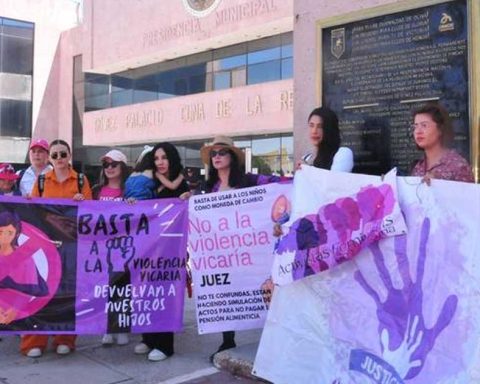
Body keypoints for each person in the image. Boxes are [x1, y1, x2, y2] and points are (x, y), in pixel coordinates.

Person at [199, 135, 283, 362]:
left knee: (262, 289)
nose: (216, 157)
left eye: (221, 153)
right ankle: (228, 340)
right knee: (224, 293)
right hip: (220, 251)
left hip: (250, 249)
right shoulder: (209, 187)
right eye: (213, 154)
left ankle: (273, 335)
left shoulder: (250, 181)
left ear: (232, 157)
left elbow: (279, 184)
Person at [20, 139, 92, 358]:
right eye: (55, 155)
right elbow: (32, 211)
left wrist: (82, 201)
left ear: (69, 156)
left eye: (63, 154)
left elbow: (90, 214)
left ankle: (65, 338)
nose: (59, 159)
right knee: (39, 290)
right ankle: (34, 340)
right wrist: (27, 202)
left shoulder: (80, 180)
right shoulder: (42, 181)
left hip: (71, 246)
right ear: (50, 159)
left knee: (68, 292)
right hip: (44, 246)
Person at [133, 142, 190, 362]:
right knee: (146, 293)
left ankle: (165, 345)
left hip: (170, 251)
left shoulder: (182, 183)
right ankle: (148, 339)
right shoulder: (149, 182)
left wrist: (187, 199)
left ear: (172, 159)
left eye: (164, 157)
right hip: (147, 248)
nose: (160, 162)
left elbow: (188, 214)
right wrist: (132, 203)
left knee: (165, 296)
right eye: (156, 158)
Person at [92, 149, 131, 346]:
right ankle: (107, 328)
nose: (109, 168)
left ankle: (121, 327)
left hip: (124, 250)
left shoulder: (129, 190)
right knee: (103, 289)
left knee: (122, 290)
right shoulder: (96, 190)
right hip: (100, 250)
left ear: (122, 167)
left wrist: (135, 204)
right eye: (106, 165)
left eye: (113, 164)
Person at [410, 103, 474, 183]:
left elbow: (468, 194)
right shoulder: (418, 167)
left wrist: (439, 185)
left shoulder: (458, 166)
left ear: (440, 129)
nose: (418, 131)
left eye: (424, 125)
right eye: (415, 126)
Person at [300, 106, 353, 172]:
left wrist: (308, 171)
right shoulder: (306, 159)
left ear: (330, 129)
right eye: (311, 125)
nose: (314, 131)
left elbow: (334, 180)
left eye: (320, 126)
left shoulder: (343, 153)